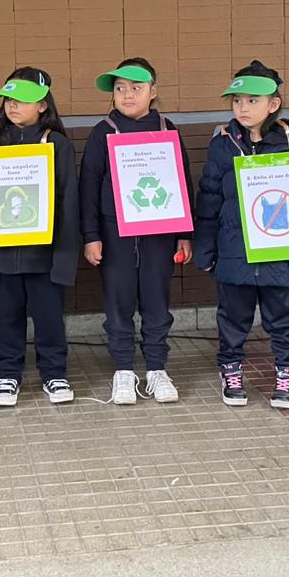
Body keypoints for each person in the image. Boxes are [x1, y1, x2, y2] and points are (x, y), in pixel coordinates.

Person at [194, 61, 289, 410]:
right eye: (237, 101)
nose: (243, 108)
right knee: (232, 317)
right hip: (234, 252)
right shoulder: (223, 145)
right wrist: (205, 249)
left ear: (273, 104)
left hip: (279, 250)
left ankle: (286, 372)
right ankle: (231, 370)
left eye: (252, 100)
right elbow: (209, 198)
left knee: (282, 317)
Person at [79, 57, 193, 405]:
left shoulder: (167, 129)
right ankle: (124, 371)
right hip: (115, 236)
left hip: (160, 236)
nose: (127, 95)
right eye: (120, 88)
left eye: (136, 88)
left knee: (157, 303)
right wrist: (91, 235)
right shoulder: (103, 131)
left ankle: (157, 369)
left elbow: (183, 182)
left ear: (152, 91)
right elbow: (88, 186)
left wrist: (185, 234)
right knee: (119, 303)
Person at [0, 67, 79, 407]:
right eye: (8, 99)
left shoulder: (57, 144)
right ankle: (8, 374)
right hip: (3, 256)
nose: (12, 105)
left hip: (44, 257)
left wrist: (64, 258)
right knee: (4, 318)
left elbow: (68, 202)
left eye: (22, 99)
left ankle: (54, 373)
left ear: (43, 105)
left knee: (49, 319)